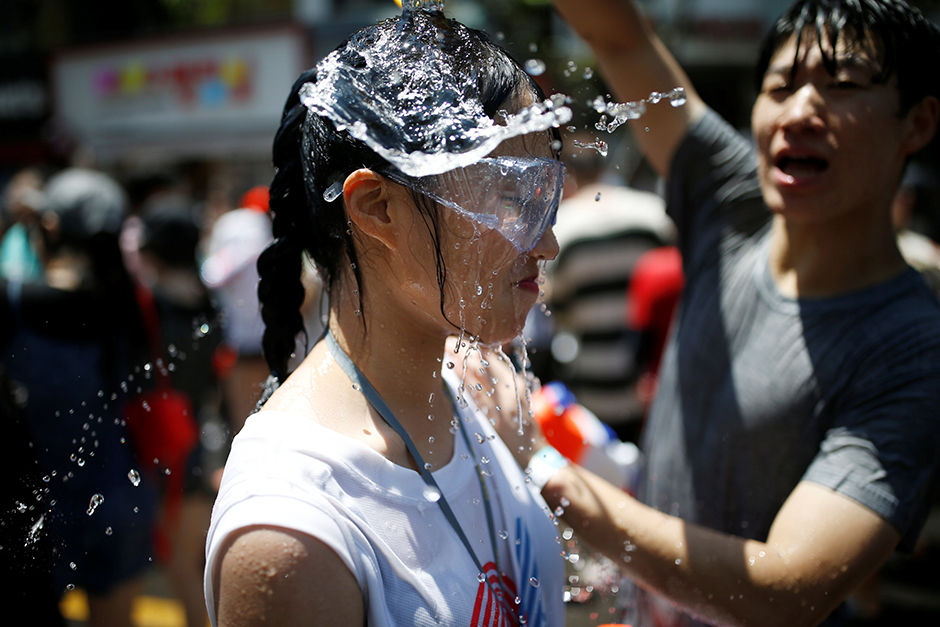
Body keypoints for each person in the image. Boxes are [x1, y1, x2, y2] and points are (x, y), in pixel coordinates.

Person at [498, 1, 940, 626]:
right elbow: (619, 39)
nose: (799, 112)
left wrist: (543, 465)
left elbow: (787, 589)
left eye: (842, 86)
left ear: (918, 123)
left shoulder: (912, 351)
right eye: (781, 86)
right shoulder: (733, 199)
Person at [204, 6, 569, 627]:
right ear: (377, 208)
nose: (546, 243)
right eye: (510, 196)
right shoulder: (294, 530)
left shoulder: (466, 396)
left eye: (544, 196)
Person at [0, 168, 158, 627]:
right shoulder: (128, 304)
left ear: (49, 226)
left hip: (34, 500)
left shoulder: (13, 301)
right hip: (118, 491)